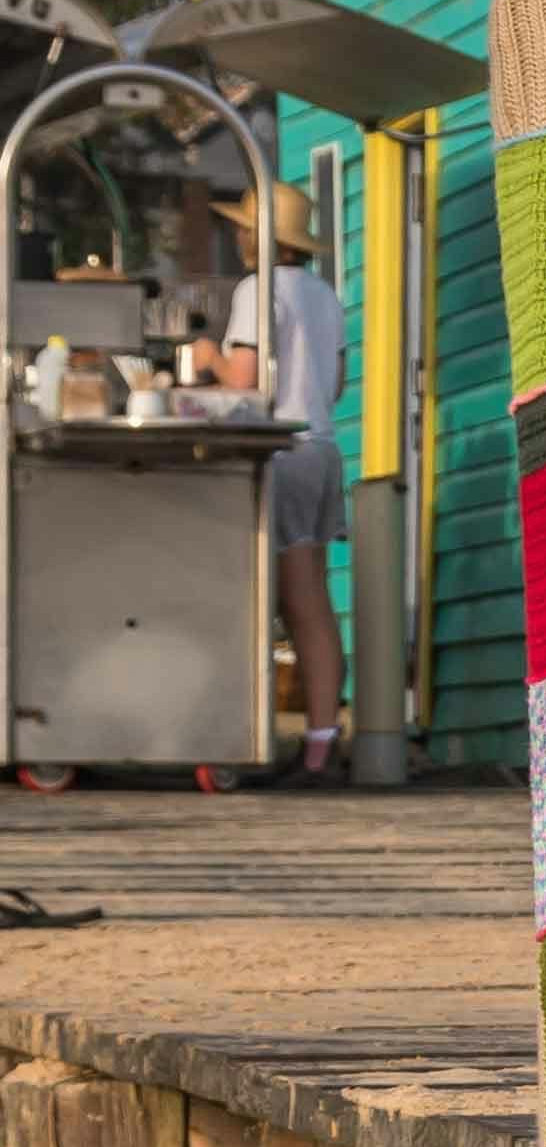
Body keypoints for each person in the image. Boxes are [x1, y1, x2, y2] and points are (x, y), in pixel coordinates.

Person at [221, 181, 347, 779]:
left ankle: (243, 738)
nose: (238, 236)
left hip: (280, 450)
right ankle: (322, 743)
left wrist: (203, 353)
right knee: (312, 603)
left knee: (250, 599)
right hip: (322, 450)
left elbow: (243, 378)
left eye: (244, 227)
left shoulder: (255, 290)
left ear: (262, 236)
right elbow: (337, 385)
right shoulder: (326, 295)